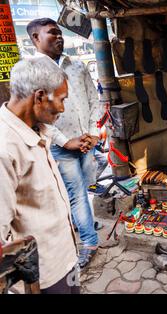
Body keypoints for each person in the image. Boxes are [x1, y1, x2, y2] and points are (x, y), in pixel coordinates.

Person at [0, 58, 79, 293]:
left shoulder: (36, 129)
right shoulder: (5, 148)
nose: (63, 108)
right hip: (41, 276)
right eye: (62, 100)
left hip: (64, 257)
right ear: (40, 96)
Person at [27, 18, 101, 268]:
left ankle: (84, 224)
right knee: (77, 193)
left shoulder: (78, 66)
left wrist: (92, 134)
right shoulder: (32, 72)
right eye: (52, 33)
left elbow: (94, 101)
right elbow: (36, 116)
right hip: (62, 147)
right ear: (35, 38)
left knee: (86, 187)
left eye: (60, 33)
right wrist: (65, 141)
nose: (59, 37)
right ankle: (90, 242)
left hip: (87, 143)